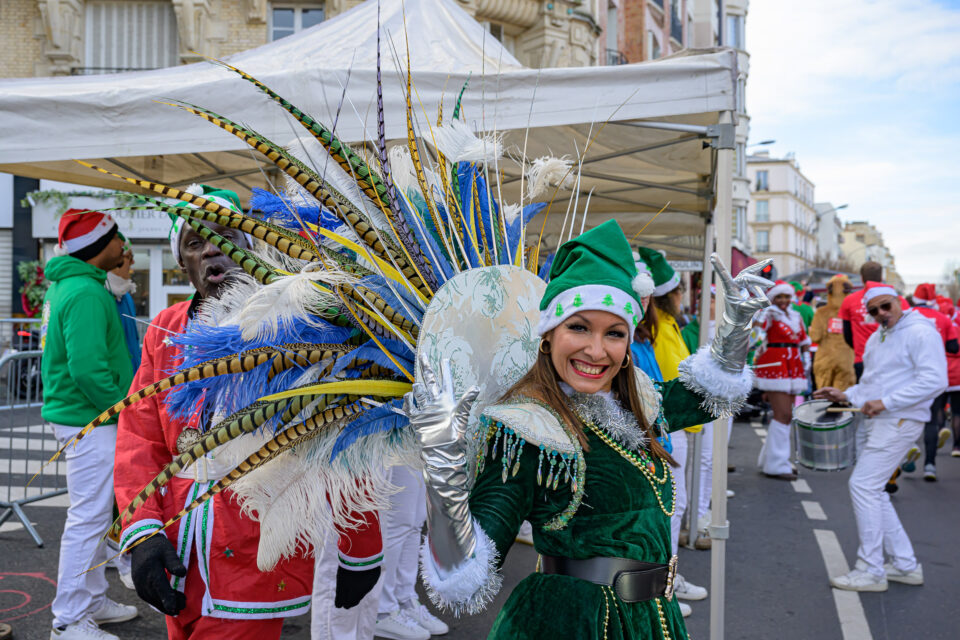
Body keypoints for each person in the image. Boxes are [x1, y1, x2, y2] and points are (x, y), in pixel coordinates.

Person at [407, 220, 770, 639]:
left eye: (614, 334)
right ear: (548, 335)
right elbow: (464, 574)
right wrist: (442, 463)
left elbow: (706, 397)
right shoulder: (527, 431)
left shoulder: (635, 402)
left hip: (653, 621)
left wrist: (735, 327)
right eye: (578, 327)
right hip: (571, 623)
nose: (596, 351)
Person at [114, 186, 380, 640]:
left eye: (228, 236)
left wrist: (361, 548)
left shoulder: (295, 328)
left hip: (254, 553)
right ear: (184, 263)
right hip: (179, 554)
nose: (213, 248)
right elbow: (140, 438)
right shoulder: (164, 330)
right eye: (196, 243)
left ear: (251, 246)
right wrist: (143, 532)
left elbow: (338, 438)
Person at [41, 209, 139, 640]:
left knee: (96, 517)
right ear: (100, 246)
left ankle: (92, 601)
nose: (123, 246)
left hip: (84, 418)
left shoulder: (79, 286)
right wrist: (124, 407)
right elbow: (86, 369)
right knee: (88, 518)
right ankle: (69, 619)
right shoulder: (84, 292)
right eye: (116, 238)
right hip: (89, 420)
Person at [815, 282, 947, 591]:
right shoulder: (877, 337)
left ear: (899, 301)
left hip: (900, 419)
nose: (881, 314)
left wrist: (887, 403)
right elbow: (871, 384)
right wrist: (844, 394)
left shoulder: (920, 332)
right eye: (874, 311)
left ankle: (871, 569)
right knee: (873, 490)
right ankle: (904, 564)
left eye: (886, 306)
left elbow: (935, 379)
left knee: (863, 486)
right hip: (882, 419)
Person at [637, 247, 707, 611]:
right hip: (655, 433)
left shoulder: (656, 331)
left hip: (663, 430)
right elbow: (665, 384)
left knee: (670, 509)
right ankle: (661, 584)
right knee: (665, 511)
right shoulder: (657, 330)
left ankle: (664, 580)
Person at [374, 465, 449, 640]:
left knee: (415, 521)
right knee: (397, 521)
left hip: (420, 438)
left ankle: (404, 599)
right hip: (393, 439)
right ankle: (382, 610)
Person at [753, 280, 811, 480]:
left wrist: (806, 360)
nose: (784, 300)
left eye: (787, 296)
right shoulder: (768, 314)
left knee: (786, 415)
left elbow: (804, 341)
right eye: (779, 296)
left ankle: (773, 460)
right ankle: (776, 464)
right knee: (783, 414)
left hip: (794, 366)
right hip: (775, 365)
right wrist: (761, 314)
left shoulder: (796, 316)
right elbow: (756, 336)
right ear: (773, 298)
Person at [908, 283, 958, 481]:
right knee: (931, 420)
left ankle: (906, 455)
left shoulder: (907, 315)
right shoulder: (944, 319)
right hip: (934, 376)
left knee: (904, 417)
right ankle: (930, 465)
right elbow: (953, 347)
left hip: (909, 376)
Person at [808, 274, 855, 391]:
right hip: (847, 359)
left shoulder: (821, 312)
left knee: (824, 399)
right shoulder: (852, 312)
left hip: (824, 359)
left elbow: (815, 336)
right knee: (843, 398)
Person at [105, 233, 141, 371]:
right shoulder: (100, 296)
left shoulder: (126, 296)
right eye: (129, 257)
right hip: (113, 388)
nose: (133, 263)